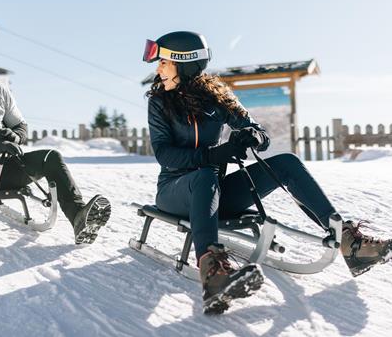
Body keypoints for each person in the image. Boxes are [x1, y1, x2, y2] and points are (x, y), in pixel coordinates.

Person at [142, 31, 392, 314]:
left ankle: (349, 241)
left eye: (164, 62)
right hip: (175, 191)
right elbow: (165, 155)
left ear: (184, 64)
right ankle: (213, 274)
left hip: (213, 193)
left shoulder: (217, 98)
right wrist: (212, 156)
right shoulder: (160, 102)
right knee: (205, 174)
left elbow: (258, 130)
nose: (158, 69)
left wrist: (253, 136)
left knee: (286, 162)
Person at [0, 39, 111, 244]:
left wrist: (14, 137)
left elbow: (20, 126)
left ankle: (78, 218)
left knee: (51, 157)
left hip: (3, 168)